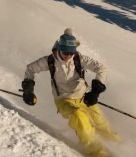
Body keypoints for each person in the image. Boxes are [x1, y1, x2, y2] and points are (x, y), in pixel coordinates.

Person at [21, 28, 120, 157]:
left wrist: (95, 91)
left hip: (84, 98)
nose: (68, 56)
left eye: (71, 53)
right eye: (65, 53)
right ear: (59, 49)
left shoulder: (79, 59)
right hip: (63, 100)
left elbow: (102, 68)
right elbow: (30, 69)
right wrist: (28, 90)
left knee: (100, 123)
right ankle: (98, 153)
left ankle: (119, 145)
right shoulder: (49, 61)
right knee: (80, 120)